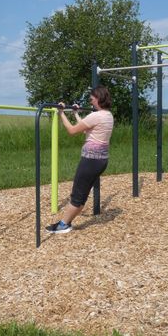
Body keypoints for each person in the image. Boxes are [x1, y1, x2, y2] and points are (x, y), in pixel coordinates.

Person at [46, 85, 114, 234]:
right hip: (101, 161)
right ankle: (66, 222)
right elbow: (85, 127)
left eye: (91, 99)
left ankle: (64, 225)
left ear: (98, 99)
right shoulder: (108, 115)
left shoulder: (96, 116)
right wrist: (76, 113)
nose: (90, 102)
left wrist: (61, 113)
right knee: (82, 193)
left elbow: (72, 130)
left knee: (78, 194)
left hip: (91, 161)